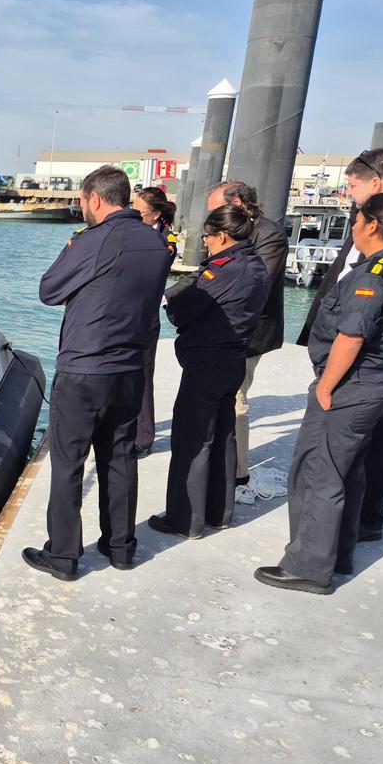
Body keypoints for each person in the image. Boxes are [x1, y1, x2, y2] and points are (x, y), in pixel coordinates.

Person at [256, 192, 383, 594]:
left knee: (317, 474)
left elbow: (351, 336)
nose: (352, 226)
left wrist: (326, 387)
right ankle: (338, 555)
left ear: (371, 225)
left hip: (352, 384)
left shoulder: (374, 274)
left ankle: (308, 567)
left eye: (357, 219)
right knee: (348, 474)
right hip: (374, 384)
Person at [24, 166, 173, 580]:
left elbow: (49, 290)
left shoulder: (92, 240)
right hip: (129, 368)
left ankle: (64, 556)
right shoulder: (157, 242)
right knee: (121, 458)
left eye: (82, 200)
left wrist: (72, 247)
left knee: (69, 463)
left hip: (85, 367)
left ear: (95, 198)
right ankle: (121, 547)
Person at [297, 149, 383, 541]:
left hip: (372, 359)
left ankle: (360, 521)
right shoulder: (377, 220)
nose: (349, 194)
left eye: (353, 186)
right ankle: (348, 524)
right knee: (357, 441)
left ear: (375, 182)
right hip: (354, 353)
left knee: (362, 440)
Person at [148, 205, 270, 539]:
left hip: (207, 362)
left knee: (193, 439)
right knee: (223, 437)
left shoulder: (223, 270)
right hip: (233, 359)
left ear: (222, 235)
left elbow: (184, 307)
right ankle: (219, 512)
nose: (206, 243)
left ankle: (184, 519)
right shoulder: (257, 265)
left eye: (208, 237)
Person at [205, 181, 287, 485]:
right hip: (221, 328)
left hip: (249, 332)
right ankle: (219, 461)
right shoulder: (229, 229)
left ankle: (237, 474)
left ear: (236, 202)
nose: (212, 220)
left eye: (216, 210)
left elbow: (257, 284)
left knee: (236, 399)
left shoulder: (269, 233)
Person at [132, 186, 179, 459]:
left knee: (142, 376)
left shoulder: (165, 241)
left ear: (156, 214)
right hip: (124, 314)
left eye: (140, 212)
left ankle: (143, 437)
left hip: (145, 316)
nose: (134, 216)